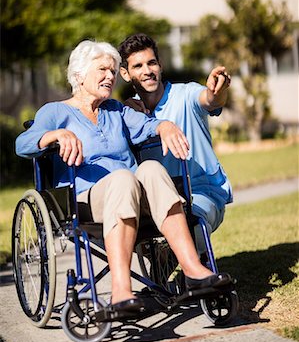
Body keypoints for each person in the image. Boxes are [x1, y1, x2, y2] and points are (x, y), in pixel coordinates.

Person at [16, 40, 231, 317]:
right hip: (86, 200)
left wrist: (164, 125)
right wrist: (55, 135)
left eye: (114, 70)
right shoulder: (55, 112)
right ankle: (120, 291)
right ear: (79, 75)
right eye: (103, 69)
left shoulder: (116, 110)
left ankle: (193, 271)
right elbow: (23, 144)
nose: (110, 76)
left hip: (132, 194)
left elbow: (149, 125)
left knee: (151, 169)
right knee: (122, 178)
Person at [118, 33, 233, 256]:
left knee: (191, 226)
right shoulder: (128, 113)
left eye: (152, 63)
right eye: (138, 66)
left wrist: (217, 90)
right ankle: (166, 278)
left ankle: (195, 276)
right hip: (156, 201)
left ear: (160, 65)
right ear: (125, 73)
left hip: (201, 195)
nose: (147, 70)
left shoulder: (185, 95)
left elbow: (210, 99)